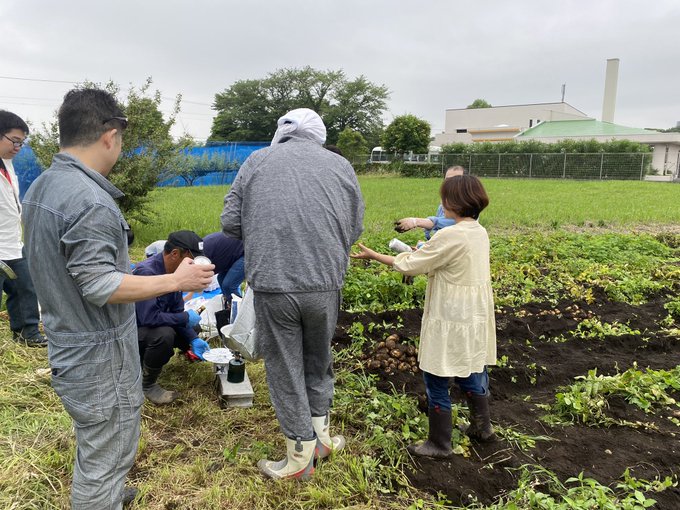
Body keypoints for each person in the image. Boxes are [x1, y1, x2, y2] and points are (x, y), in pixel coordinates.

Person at [21, 88, 214, 509]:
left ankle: (104, 490)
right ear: (110, 134)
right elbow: (100, 285)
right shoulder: (91, 201)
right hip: (98, 357)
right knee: (107, 453)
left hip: (67, 340)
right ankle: (99, 496)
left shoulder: (42, 186)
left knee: (97, 445)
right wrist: (175, 281)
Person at [221, 108, 364, 480]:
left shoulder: (257, 161)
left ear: (282, 132)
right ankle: (322, 438)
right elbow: (355, 225)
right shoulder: (341, 165)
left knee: (285, 366)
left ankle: (299, 456)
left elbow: (230, 222)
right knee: (318, 359)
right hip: (325, 282)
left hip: (275, 282)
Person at [351, 174, 496, 459]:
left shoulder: (450, 234)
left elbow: (411, 265)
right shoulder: (478, 231)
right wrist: (427, 253)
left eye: (445, 198)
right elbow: (447, 263)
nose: (442, 203)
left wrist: (375, 256)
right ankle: (483, 428)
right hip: (474, 316)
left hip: (450, 314)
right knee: (470, 367)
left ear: (453, 202)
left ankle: (440, 444)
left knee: (437, 374)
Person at [133, 230, 212, 405]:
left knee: (193, 328)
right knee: (164, 334)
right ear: (175, 254)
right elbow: (149, 318)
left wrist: (193, 339)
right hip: (134, 333)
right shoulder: (147, 272)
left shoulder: (176, 276)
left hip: (151, 326)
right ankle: (147, 384)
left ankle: (187, 352)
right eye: (191, 259)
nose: (194, 265)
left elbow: (177, 311)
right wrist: (184, 318)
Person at [0, 110, 47, 347]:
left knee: (25, 289)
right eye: (14, 141)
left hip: (13, 244)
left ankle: (27, 334)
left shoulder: (7, 164)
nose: (18, 147)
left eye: (22, 142)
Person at [394, 165, 466, 240]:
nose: (451, 184)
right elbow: (437, 230)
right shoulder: (443, 205)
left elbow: (455, 223)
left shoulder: (469, 203)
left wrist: (416, 222)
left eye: (456, 180)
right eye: (448, 180)